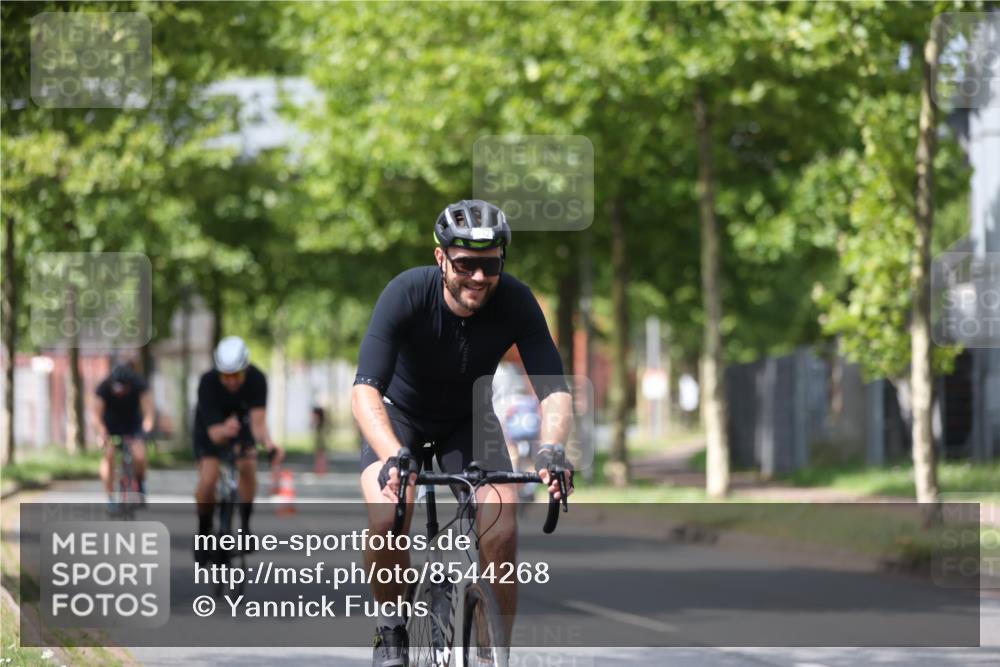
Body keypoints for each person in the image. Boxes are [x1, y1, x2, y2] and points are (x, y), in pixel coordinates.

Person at [353, 199, 575, 666]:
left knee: (502, 518)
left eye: (490, 264)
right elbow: (364, 391)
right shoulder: (406, 293)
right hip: (400, 416)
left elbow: (554, 392)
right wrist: (394, 455)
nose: (478, 277)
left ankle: (495, 653)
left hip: (467, 418)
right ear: (441, 258)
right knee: (389, 508)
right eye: (465, 264)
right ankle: (391, 627)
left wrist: (552, 448)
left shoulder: (515, 300)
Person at [192, 335, 284, 562]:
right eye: (226, 375)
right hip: (210, 429)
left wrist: (269, 444)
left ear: (245, 369)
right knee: (209, 478)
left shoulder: (256, 379)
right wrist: (225, 429)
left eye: (237, 375)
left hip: (242, 426)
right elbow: (215, 434)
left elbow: (258, 424)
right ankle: (204, 532)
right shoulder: (208, 382)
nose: (232, 381)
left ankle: (244, 524)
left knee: (248, 465)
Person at [94, 362, 155, 507]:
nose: (119, 391)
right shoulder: (104, 387)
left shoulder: (139, 384)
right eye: (116, 387)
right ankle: (109, 496)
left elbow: (149, 413)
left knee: (139, 455)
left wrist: (146, 431)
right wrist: (102, 433)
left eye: (123, 387)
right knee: (108, 455)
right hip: (110, 425)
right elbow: (96, 416)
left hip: (133, 424)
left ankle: (139, 483)